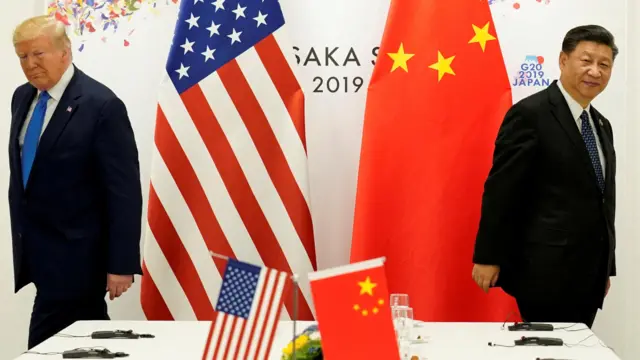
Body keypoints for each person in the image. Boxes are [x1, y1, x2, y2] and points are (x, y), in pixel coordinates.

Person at [471, 24, 617, 328]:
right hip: (544, 270)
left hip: (589, 274)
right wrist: (488, 256)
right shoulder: (531, 115)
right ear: (563, 61)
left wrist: (606, 267)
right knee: (548, 351)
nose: (595, 71)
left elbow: (603, 200)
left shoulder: (601, 124)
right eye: (586, 60)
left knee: (577, 350)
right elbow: (502, 190)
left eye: (604, 64)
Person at [10, 15, 143, 348]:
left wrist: (121, 264)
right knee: (83, 344)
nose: (30, 64)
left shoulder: (101, 106)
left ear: (65, 51)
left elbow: (123, 192)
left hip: (80, 257)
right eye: (23, 57)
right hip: (39, 253)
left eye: (38, 54)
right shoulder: (22, 98)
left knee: (47, 346)